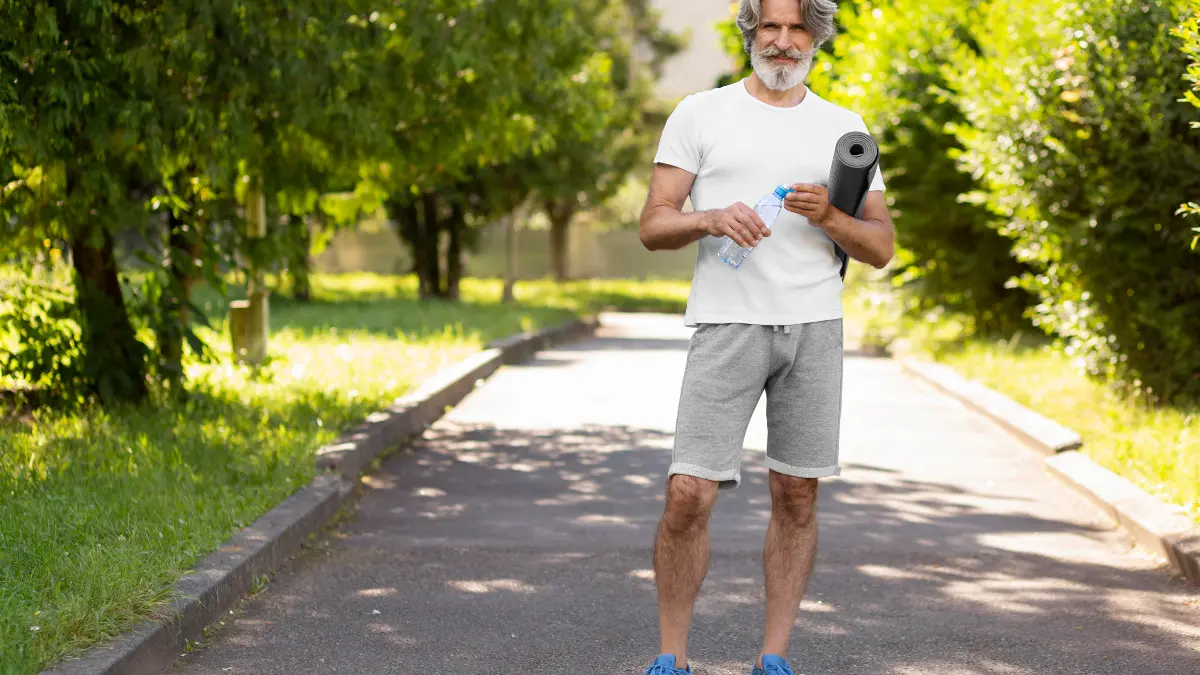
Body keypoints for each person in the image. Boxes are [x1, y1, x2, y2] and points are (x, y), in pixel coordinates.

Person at [635, 1, 895, 673]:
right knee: (687, 493)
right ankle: (672, 656)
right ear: (750, 32)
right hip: (727, 325)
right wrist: (711, 217)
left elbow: (880, 246)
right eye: (770, 28)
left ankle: (772, 657)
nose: (783, 42)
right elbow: (653, 224)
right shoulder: (700, 113)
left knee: (796, 493)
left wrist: (831, 216)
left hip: (813, 327)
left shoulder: (845, 129)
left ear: (817, 37)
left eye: (797, 29)